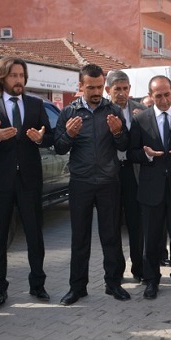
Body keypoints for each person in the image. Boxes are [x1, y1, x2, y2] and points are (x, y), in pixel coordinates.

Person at [0, 57, 53, 308]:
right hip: (0, 181)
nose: (19, 80)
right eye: (13, 75)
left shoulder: (36, 104)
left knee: (34, 234)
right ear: (2, 78)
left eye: (21, 75)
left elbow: (49, 136)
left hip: (29, 180)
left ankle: (37, 284)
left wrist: (40, 138)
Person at [55, 64, 130, 305]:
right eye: (91, 87)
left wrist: (118, 133)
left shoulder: (113, 110)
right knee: (80, 238)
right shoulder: (69, 112)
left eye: (100, 87)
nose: (97, 92)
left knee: (111, 237)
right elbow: (59, 147)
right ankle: (77, 288)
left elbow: (124, 145)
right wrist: (69, 135)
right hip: (81, 183)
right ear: (81, 86)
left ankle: (113, 284)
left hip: (108, 182)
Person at [127, 75, 171, 299]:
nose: (164, 100)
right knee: (151, 239)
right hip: (150, 190)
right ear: (150, 95)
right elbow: (131, 153)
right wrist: (146, 155)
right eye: (158, 96)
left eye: (167, 94)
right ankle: (151, 280)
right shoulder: (140, 120)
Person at [106, 70, 147, 282]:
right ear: (108, 90)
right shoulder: (103, 111)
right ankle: (116, 271)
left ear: (130, 89)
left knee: (136, 224)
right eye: (117, 89)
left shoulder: (141, 110)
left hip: (134, 172)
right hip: (111, 173)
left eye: (125, 88)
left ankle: (139, 269)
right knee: (112, 225)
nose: (122, 93)